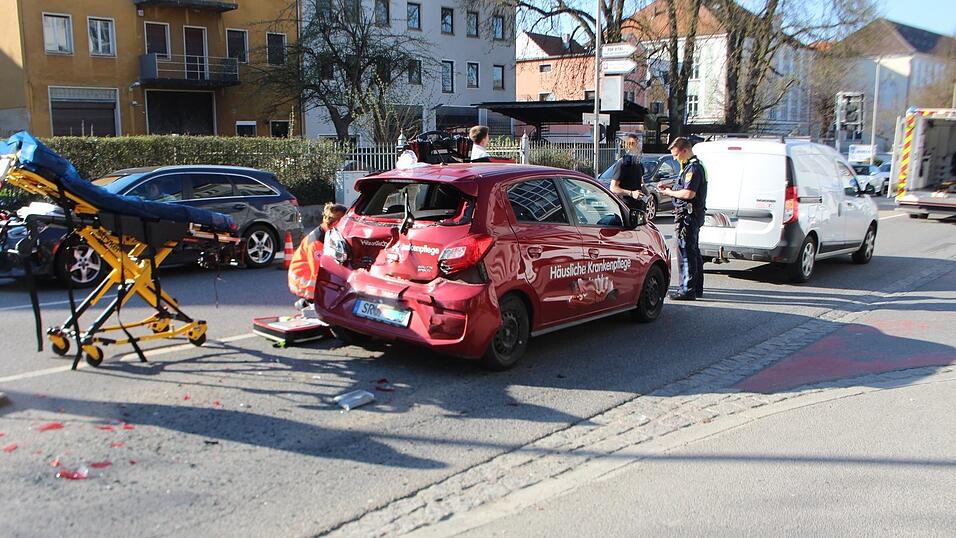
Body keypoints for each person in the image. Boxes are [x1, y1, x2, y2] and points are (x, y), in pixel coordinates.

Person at [658, 137, 707, 300]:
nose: (674, 158)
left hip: (688, 216)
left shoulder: (693, 168)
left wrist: (668, 193)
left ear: (685, 151)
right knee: (693, 251)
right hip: (692, 214)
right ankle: (696, 288)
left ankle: (687, 290)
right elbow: (684, 188)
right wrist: (671, 188)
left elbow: (688, 193)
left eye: (676, 154)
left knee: (685, 251)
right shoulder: (689, 167)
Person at [288, 202, 347, 302]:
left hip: (307, 277)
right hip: (304, 283)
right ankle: (307, 303)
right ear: (336, 223)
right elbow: (318, 272)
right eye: (344, 222)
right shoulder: (317, 242)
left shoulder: (327, 234)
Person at [607, 133, 646, 209]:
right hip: (625, 207)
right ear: (626, 146)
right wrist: (631, 193)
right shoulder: (622, 164)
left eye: (637, 143)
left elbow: (641, 183)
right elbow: (613, 188)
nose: (637, 146)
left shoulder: (639, 164)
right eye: (632, 144)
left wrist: (647, 194)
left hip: (639, 207)